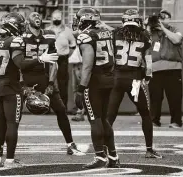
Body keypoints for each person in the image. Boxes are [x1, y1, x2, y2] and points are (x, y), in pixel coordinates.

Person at [0, 12, 49, 169]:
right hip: (11, 88)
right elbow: (20, 63)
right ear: (14, 26)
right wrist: (39, 59)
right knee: (12, 124)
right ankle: (10, 161)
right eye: (20, 25)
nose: (22, 28)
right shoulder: (15, 40)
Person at [21, 12, 85, 156]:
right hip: (26, 79)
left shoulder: (49, 35)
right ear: (27, 21)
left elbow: (54, 63)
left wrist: (50, 83)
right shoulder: (22, 37)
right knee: (14, 114)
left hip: (43, 78)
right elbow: (17, 64)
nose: (37, 17)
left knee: (61, 110)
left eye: (39, 16)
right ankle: (4, 146)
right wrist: (22, 85)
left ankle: (70, 144)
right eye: (34, 16)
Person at [107, 9, 162, 158]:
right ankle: (149, 149)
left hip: (117, 77)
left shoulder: (114, 33)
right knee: (145, 114)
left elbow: (110, 56)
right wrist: (148, 75)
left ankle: (105, 150)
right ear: (137, 20)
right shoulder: (144, 34)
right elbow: (148, 59)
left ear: (123, 20)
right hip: (135, 79)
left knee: (110, 116)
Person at [75, 7, 119, 169]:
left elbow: (87, 66)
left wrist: (81, 88)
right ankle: (113, 156)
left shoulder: (86, 36)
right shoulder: (107, 33)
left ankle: (100, 156)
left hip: (95, 81)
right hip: (109, 78)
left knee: (95, 120)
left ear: (83, 21)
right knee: (104, 120)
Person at [145, 10, 183, 128]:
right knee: (155, 96)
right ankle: (154, 120)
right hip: (155, 68)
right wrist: (147, 26)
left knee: (175, 96)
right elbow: (144, 42)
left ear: (169, 19)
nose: (160, 20)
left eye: (163, 18)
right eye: (159, 18)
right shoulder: (151, 32)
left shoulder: (174, 29)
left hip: (173, 68)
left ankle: (176, 121)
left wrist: (163, 28)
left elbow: (177, 40)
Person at [46, 10, 76, 110]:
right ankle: (47, 106)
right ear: (51, 19)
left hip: (63, 59)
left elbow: (73, 45)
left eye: (58, 18)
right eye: (54, 18)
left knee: (63, 83)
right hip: (50, 58)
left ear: (62, 19)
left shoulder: (67, 31)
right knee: (49, 82)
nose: (56, 20)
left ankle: (63, 106)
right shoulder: (47, 30)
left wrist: (67, 54)